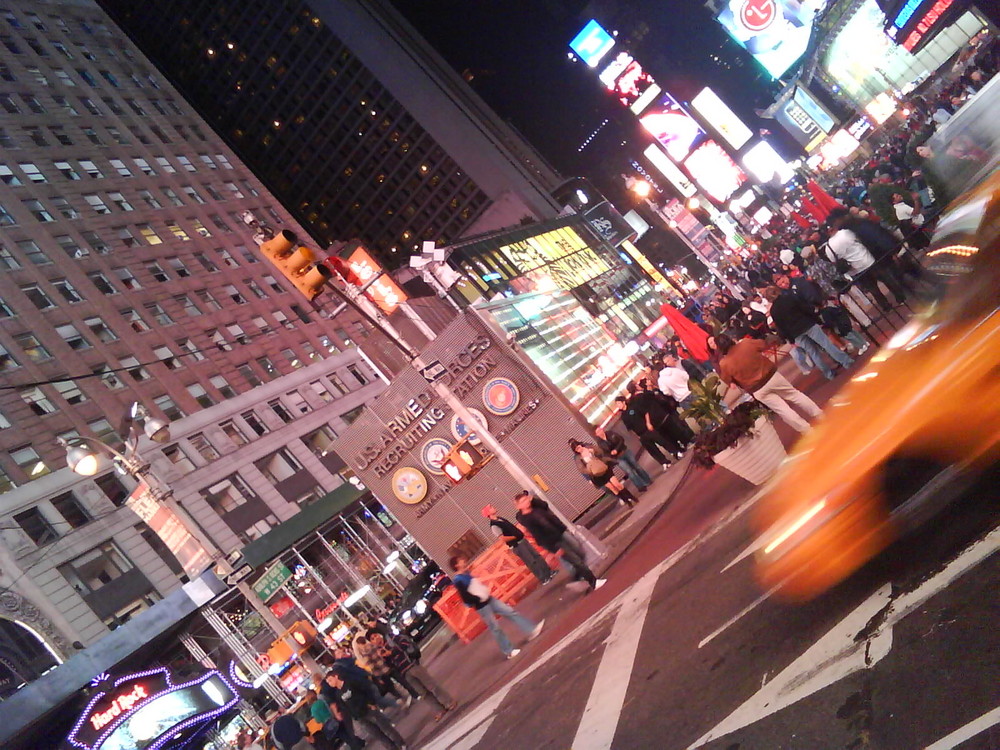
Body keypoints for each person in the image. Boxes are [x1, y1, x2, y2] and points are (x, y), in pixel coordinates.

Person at [715, 334, 822, 434]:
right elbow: (763, 344)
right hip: (771, 376)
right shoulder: (746, 343)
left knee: (783, 410)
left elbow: (727, 380)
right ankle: (819, 414)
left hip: (757, 389)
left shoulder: (724, 363)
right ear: (730, 339)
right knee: (795, 395)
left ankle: (807, 430)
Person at [448, 552, 543, 659]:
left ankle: (531, 629)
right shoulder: (458, 580)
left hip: (488, 599)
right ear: (456, 565)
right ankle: (509, 651)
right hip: (482, 605)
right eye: (460, 560)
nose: (463, 561)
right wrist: (477, 599)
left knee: (509, 612)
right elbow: (465, 597)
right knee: (495, 627)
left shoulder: (464, 575)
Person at [514, 492, 605, 592]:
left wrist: (533, 500)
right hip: (554, 542)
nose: (526, 502)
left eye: (526, 499)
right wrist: (554, 548)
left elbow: (545, 506)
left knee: (579, 552)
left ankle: (577, 576)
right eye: (523, 501)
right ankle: (593, 582)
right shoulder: (525, 518)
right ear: (519, 506)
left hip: (560, 532)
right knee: (576, 560)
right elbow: (538, 535)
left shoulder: (536, 508)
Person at [770, 274, 854, 380]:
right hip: (807, 324)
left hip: (796, 334)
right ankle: (846, 362)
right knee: (826, 344)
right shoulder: (789, 298)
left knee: (813, 353)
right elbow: (804, 309)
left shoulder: (773, 311)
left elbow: (781, 327)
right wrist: (816, 318)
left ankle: (828, 374)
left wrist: (790, 339)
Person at [826, 207, 906, 312]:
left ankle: (886, 307)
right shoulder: (845, 233)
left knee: (873, 289)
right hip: (867, 261)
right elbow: (859, 240)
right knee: (887, 280)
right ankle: (900, 298)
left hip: (855, 271)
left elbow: (833, 260)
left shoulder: (828, 247)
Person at [322, 667, 407, 750]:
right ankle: (392, 748)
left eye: (330, 680)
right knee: (377, 735)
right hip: (360, 718)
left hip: (369, 710)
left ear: (336, 677)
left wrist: (371, 703)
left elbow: (366, 690)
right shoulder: (338, 694)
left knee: (386, 728)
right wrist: (354, 717)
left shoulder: (350, 683)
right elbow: (345, 707)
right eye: (328, 682)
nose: (330, 683)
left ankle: (401, 743)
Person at [383, 630, 457, 720]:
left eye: (375, 636)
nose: (375, 639)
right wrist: (385, 658)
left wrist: (392, 652)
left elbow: (405, 644)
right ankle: (439, 709)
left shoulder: (392, 638)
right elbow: (390, 666)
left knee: (432, 686)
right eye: (372, 639)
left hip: (412, 665)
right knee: (423, 693)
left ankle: (448, 702)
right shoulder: (380, 651)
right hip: (404, 673)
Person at [482, 504, 554, 583]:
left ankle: (549, 572)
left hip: (522, 540)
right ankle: (543, 578)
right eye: (491, 508)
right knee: (531, 562)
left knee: (536, 556)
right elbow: (502, 538)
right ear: (488, 513)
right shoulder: (494, 526)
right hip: (517, 545)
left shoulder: (500, 519)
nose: (493, 507)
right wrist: (515, 537)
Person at [569, 438, 636, 507]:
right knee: (612, 488)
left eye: (579, 447)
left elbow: (601, 452)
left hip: (603, 468)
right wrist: (590, 470)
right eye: (576, 449)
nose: (579, 450)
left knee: (617, 484)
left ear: (580, 445)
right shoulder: (578, 458)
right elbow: (582, 469)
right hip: (596, 475)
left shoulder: (589, 447)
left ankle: (631, 497)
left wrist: (593, 452)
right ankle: (627, 501)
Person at [352, 634, 414, 705]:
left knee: (391, 687)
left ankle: (402, 699)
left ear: (359, 644)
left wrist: (377, 677)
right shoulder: (373, 646)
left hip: (381, 672)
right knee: (402, 681)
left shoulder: (364, 653)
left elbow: (372, 665)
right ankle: (413, 693)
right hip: (387, 667)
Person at [593, 423, 651, 492]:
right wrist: (611, 454)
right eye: (598, 432)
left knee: (637, 466)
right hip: (617, 458)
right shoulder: (600, 443)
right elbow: (605, 454)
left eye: (600, 430)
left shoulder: (610, 433)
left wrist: (616, 449)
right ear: (596, 435)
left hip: (625, 451)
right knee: (629, 472)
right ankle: (640, 486)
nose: (600, 432)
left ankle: (647, 480)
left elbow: (621, 440)